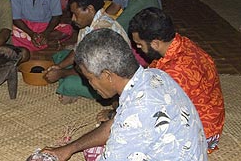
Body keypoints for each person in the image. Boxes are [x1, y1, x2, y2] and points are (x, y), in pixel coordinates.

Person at [42, 28, 208, 161]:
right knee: (94, 148)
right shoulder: (155, 75)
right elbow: (116, 124)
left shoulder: (137, 112)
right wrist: (68, 149)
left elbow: (126, 125)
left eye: (89, 78)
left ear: (107, 75)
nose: (89, 84)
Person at [129, 7, 225, 153]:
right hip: (210, 120)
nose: (137, 48)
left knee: (133, 137)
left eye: (140, 44)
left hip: (202, 135)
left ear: (155, 43)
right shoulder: (181, 43)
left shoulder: (175, 72)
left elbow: (153, 110)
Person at [43, 0, 129, 104]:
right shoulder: (88, 24)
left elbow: (95, 72)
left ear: (90, 9)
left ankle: (74, 89)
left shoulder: (103, 30)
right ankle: (68, 79)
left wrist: (62, 73)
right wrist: (59, 66)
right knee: (60, 56)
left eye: (75, 14)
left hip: (111, 82)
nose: (73, 19)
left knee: (68, 84)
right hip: (93, 68)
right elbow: (78, 50)